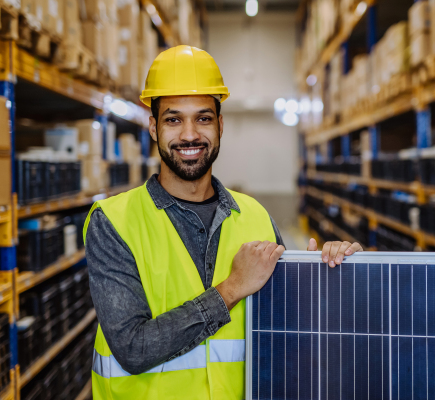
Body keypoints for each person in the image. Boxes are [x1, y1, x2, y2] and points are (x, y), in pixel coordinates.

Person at [84, 45, 363, 400]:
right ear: (153, 127)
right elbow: (133, 348)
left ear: (220, 125)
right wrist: (231, 289)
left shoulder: (256, 216)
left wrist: (329, 273)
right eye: (173, 119)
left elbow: (292, 330)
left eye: (203, 118)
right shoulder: (113, 222)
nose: (189, 135)